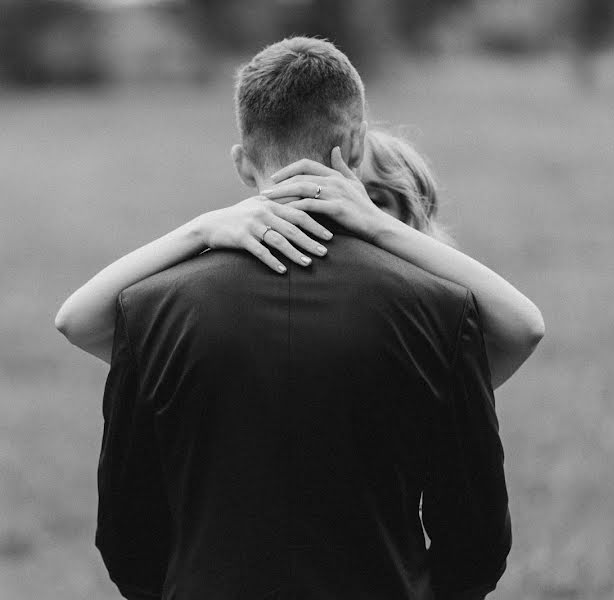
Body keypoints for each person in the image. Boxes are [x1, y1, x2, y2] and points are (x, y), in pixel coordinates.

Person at [62, 37, 517, 599]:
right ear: (354, 144)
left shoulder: (148, 308)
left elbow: (128, 529)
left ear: (241, 162)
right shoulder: (443, 308)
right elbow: (476, 536)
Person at [55, 129, 544, 390]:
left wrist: (374, 227)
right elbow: (78, 319)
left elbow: (524, 329)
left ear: (412, 223)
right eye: (323, 196)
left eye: (374, 200)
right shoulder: (237, 319)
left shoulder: (433, 333)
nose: (345, 216)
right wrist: (200, 229)